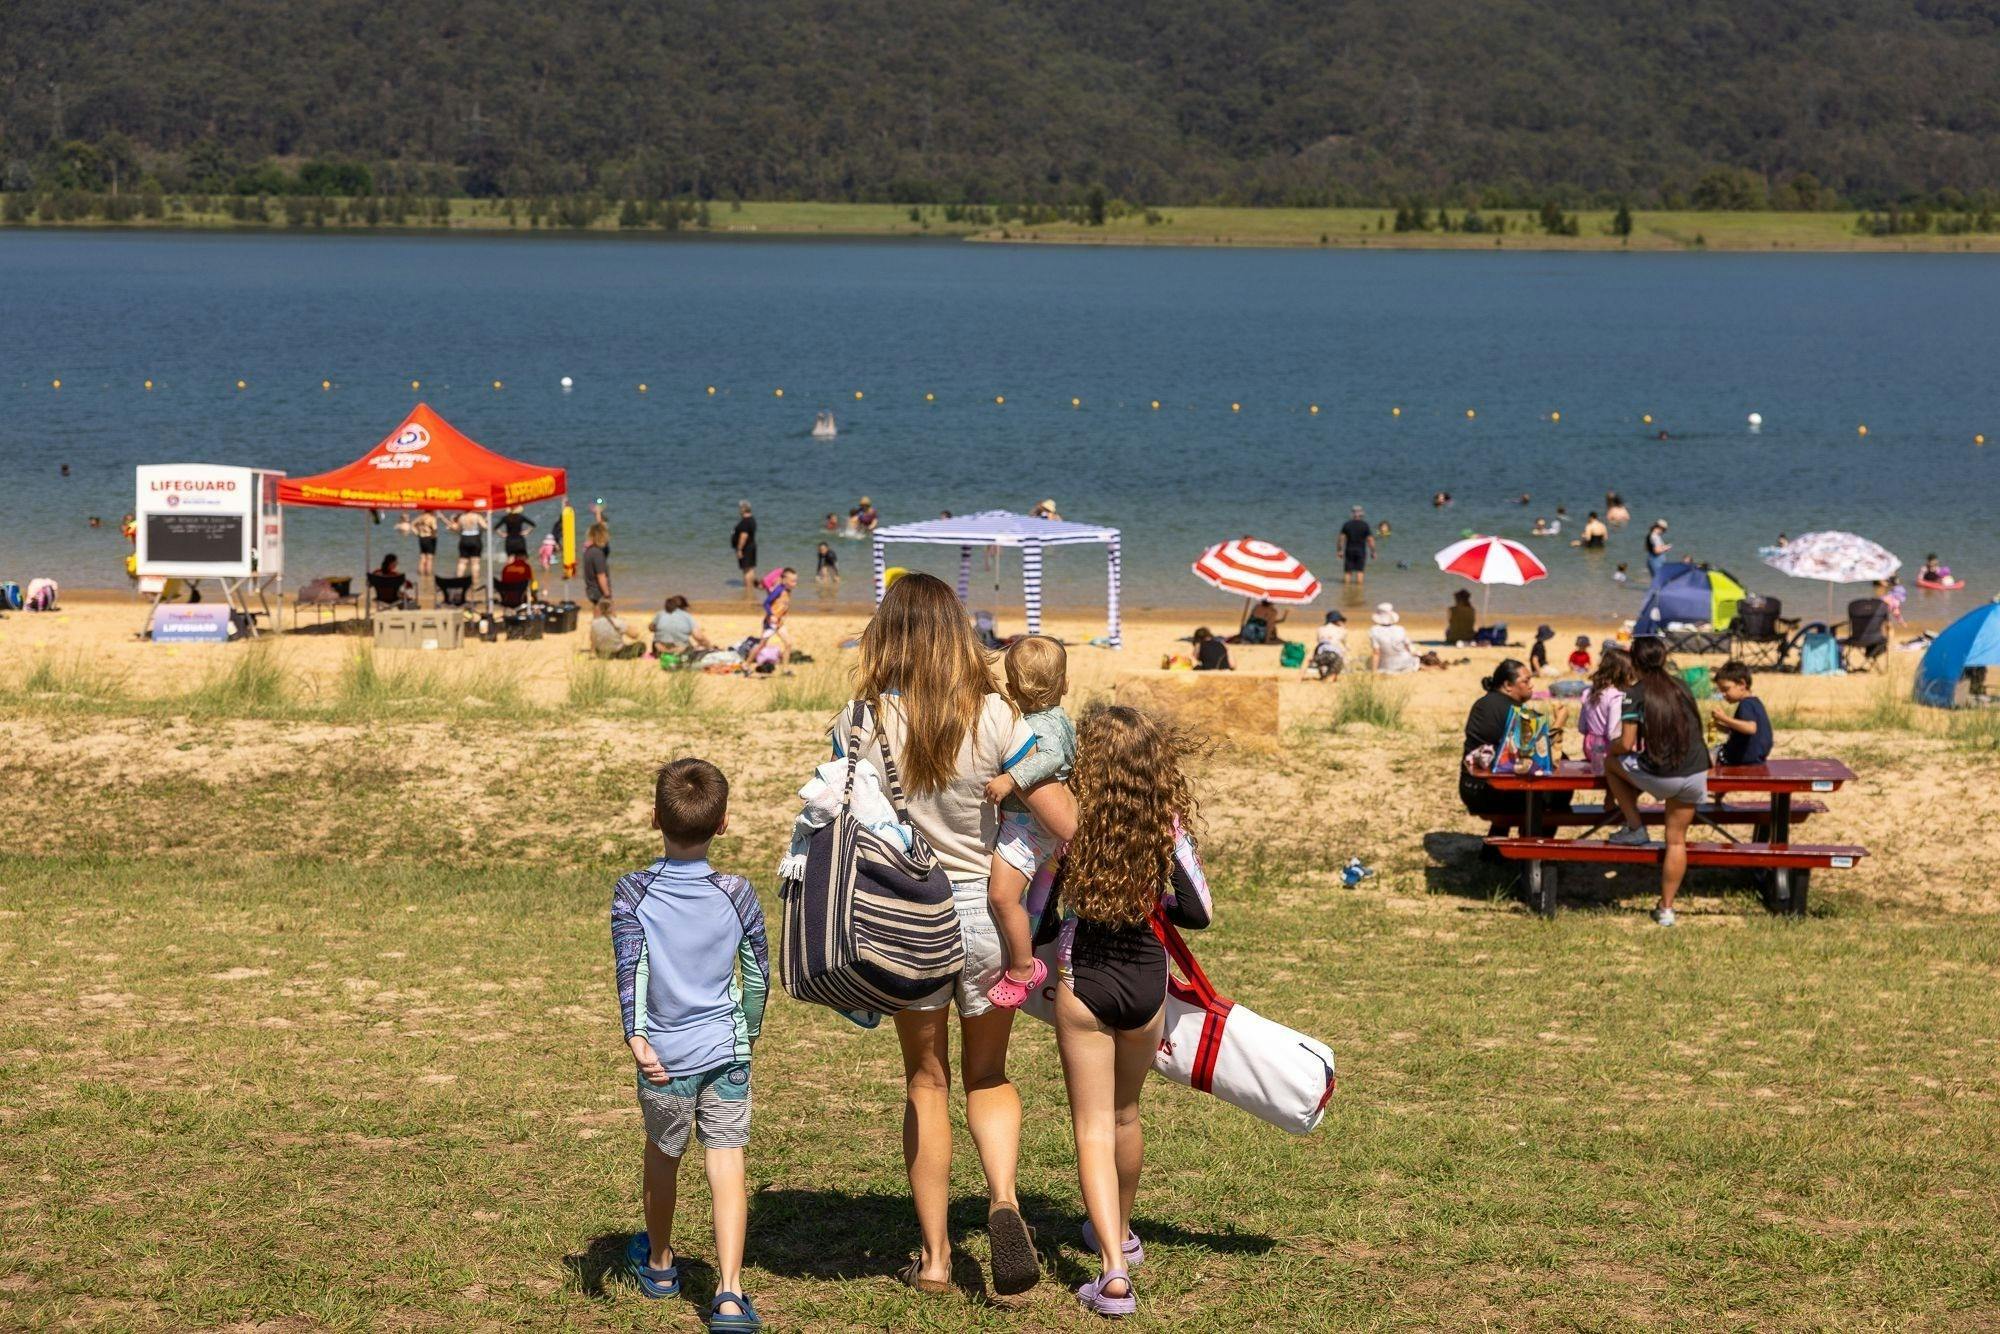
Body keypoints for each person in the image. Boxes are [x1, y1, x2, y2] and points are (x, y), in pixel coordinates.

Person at [832, 573, 1076, 1297]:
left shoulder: (861, 720)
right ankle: (1002, 1200)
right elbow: (1064, 821)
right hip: (985, 917)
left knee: (926, 1081)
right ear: (958, 634)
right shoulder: (999, 717)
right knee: (989, 1075)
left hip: (905, 918)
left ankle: (936, 1260)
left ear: (888, 638)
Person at [1043, 704, 1212, 1318]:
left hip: (1084, 977)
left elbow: (1041, 908)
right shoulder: (1164, 826)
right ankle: (1122, 1233)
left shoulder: (1071, 823)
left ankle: (1112, 1273)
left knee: (1089, 1126)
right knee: (1124, 1114)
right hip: (1147, 982)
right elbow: (1200, 911)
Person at [611, 758, 768, 1329]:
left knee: (664, 1153)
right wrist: (743, 1036)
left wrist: (637, 1037)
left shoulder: (632, 893)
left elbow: (632, 970)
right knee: (726, 1159)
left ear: (655, 818)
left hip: (664, 1061)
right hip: (726, 1056)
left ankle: (657, 1264)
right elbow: (757, 978)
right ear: (722, 823)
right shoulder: (739, 893)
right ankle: (729, 1294)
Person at [980, 637, 1075, 1011]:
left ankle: (1022, 967)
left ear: (1013, 688)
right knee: (1030, 902)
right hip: (1033, 826)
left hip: (1027, 825)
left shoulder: (1041, 727)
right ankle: (1032, 941)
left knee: (1002, 896)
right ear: (1065, 684)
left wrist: (1011, 779)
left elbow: (1050, 758)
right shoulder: (1059, 719)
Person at [1605, 637, 1710, 927]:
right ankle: (1667, 909)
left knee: (1610, 764)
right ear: (1663, 658)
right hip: (1695, 771)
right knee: (1676, 841)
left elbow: (1626, 745)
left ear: (1634, 661)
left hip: (1662, 776)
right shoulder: (1682, 686)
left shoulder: (1634, 693)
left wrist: (1609, 748)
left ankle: (1635, 826)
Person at [1460, 659, 1572, 834]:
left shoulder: (1484, 703)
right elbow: (1541, 756)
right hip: (1489, 793)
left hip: (1471, 787)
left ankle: (1496, 850)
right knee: (1558, 790)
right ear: (1507, 685)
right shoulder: (1512, 711)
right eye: (1525, 681)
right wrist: (1559, 721)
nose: (1531, 685)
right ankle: (1534, 850)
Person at [1580, 646, 1637, 766]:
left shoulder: (1588, 693)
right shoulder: (1617, 697)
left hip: (1589, 748)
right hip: (1606, 751)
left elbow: (1582, 728)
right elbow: (1613, 734)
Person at [1710, 661, 1773, 766]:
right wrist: (1719, 726)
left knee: (1705, 756)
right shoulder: (1755, 702)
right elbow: (1741, 731)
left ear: (1742, 684)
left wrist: (1724, 718)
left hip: (1741, 758)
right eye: (1721, 691)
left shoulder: (1745, 704)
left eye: (1726, 689)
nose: (1723, 695)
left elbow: (1750, 728)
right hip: (1756, 758)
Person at [1369, 603, 1418, 674]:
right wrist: (1414, 654)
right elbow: (1408, 647)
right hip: (1405, 664)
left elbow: (1376, 653)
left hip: (1387, 666)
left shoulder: (1374, 631)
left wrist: (1374, 672)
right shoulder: (1400, 629)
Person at [1338, 506, 1376, 586]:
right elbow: (1370, 540)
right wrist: (1373, 551)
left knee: (1348, 571)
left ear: (1352, 514)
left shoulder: (1347, 525)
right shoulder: (1365, 525)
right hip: (1361, 551)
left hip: (1349, 550)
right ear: (1362, 514)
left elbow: (1341, 539)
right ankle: (1359, 591)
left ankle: (1346, 589)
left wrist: (1340, 550)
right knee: (1360, 571)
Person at [1307, 610, 1347, 679]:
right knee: (1342, 651)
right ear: (1337, 621)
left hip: (1320, 655)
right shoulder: (1341, 630)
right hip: (1335, 656)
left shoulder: (1320, 629)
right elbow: (1343, 643)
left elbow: (1319, 641)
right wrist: (1343, 627)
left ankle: (1324, 674)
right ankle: (1333, 675)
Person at [450, 509, 486, 578]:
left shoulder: (462, 517)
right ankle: (475, 581)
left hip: (464, 538)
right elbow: (484, 526)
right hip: (475, 538)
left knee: (462, 562)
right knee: (475, 563)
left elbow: (458, 529)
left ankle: (459, 580)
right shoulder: (477, 516)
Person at [730, 502, 758, 591]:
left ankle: (748, 589)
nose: (739, 510)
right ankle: (751, 588)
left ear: (743, 509)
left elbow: (743, 536)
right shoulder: (752, 520)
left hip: (746, 548)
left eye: (740, 508)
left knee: (746, 570)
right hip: (751, 546)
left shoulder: (745, 522)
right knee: (750, 568)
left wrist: (739, 549)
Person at [409, 511, 440, 583]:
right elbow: (435, 529)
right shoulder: (432, 518)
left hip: (421, 538)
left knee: (422, 558)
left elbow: (411, 525)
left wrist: (417, 533)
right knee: (429, 559)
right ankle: (428, 577)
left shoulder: (420, 517)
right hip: (429, 538)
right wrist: (434, 536)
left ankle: (421, 577)